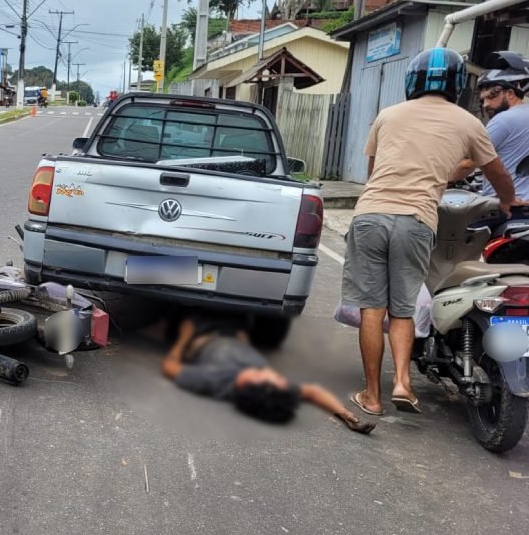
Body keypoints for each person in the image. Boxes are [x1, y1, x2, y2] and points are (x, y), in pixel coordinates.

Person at [344, 47, 522, 417]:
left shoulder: (388, 115)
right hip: (417, 220)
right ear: (458, 84)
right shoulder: (469, 123)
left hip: (371, 214)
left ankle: (372, 397)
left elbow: (375, 172)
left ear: (412, 81)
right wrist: (507, 202)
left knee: (372, 309)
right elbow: (497, 173)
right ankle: (403, 384)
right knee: (404, 309)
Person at [161, 314, 376, 433]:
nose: (277, 377)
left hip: (203, 328)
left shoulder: (213, 381)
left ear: (248, 384)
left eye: (272, 379)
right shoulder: (270, 390)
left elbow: (170, 368)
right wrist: (346, 415)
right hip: (238, 328)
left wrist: (183, 337)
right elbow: (312, 392)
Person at [450, 51, 529, 199]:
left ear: (510, 94)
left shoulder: (503, 120)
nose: (486, 105)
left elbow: (468, 164)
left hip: (505, 207)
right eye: (483, 100)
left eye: (492, 96)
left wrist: (437, 180)